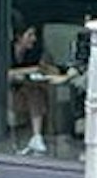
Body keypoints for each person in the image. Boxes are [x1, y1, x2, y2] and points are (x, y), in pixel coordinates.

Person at [7, 23, 65, 157]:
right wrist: (29, 70)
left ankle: (37, 136)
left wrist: (45, 68)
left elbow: (50, 69)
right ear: (19, 37)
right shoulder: (7, 51)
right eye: (29, 35)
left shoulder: (34, 52)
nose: (34, 39)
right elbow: (5, 73)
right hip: (7, 95)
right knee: (33, 92)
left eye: (34, 35)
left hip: (26, 93)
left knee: (35, 92)